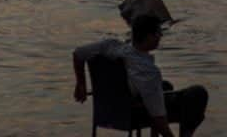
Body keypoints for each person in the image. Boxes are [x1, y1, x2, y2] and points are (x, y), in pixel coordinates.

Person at [73, 14, 208, 137]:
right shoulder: (147, 71)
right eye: (158, 33)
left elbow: (78, 54)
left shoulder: (111, 46)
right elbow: (158, 117)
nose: (160, 36)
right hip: (131, 114)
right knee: (197, 94)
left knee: (164, 86)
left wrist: (81, 83)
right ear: (149, 36)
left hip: (108, 110)